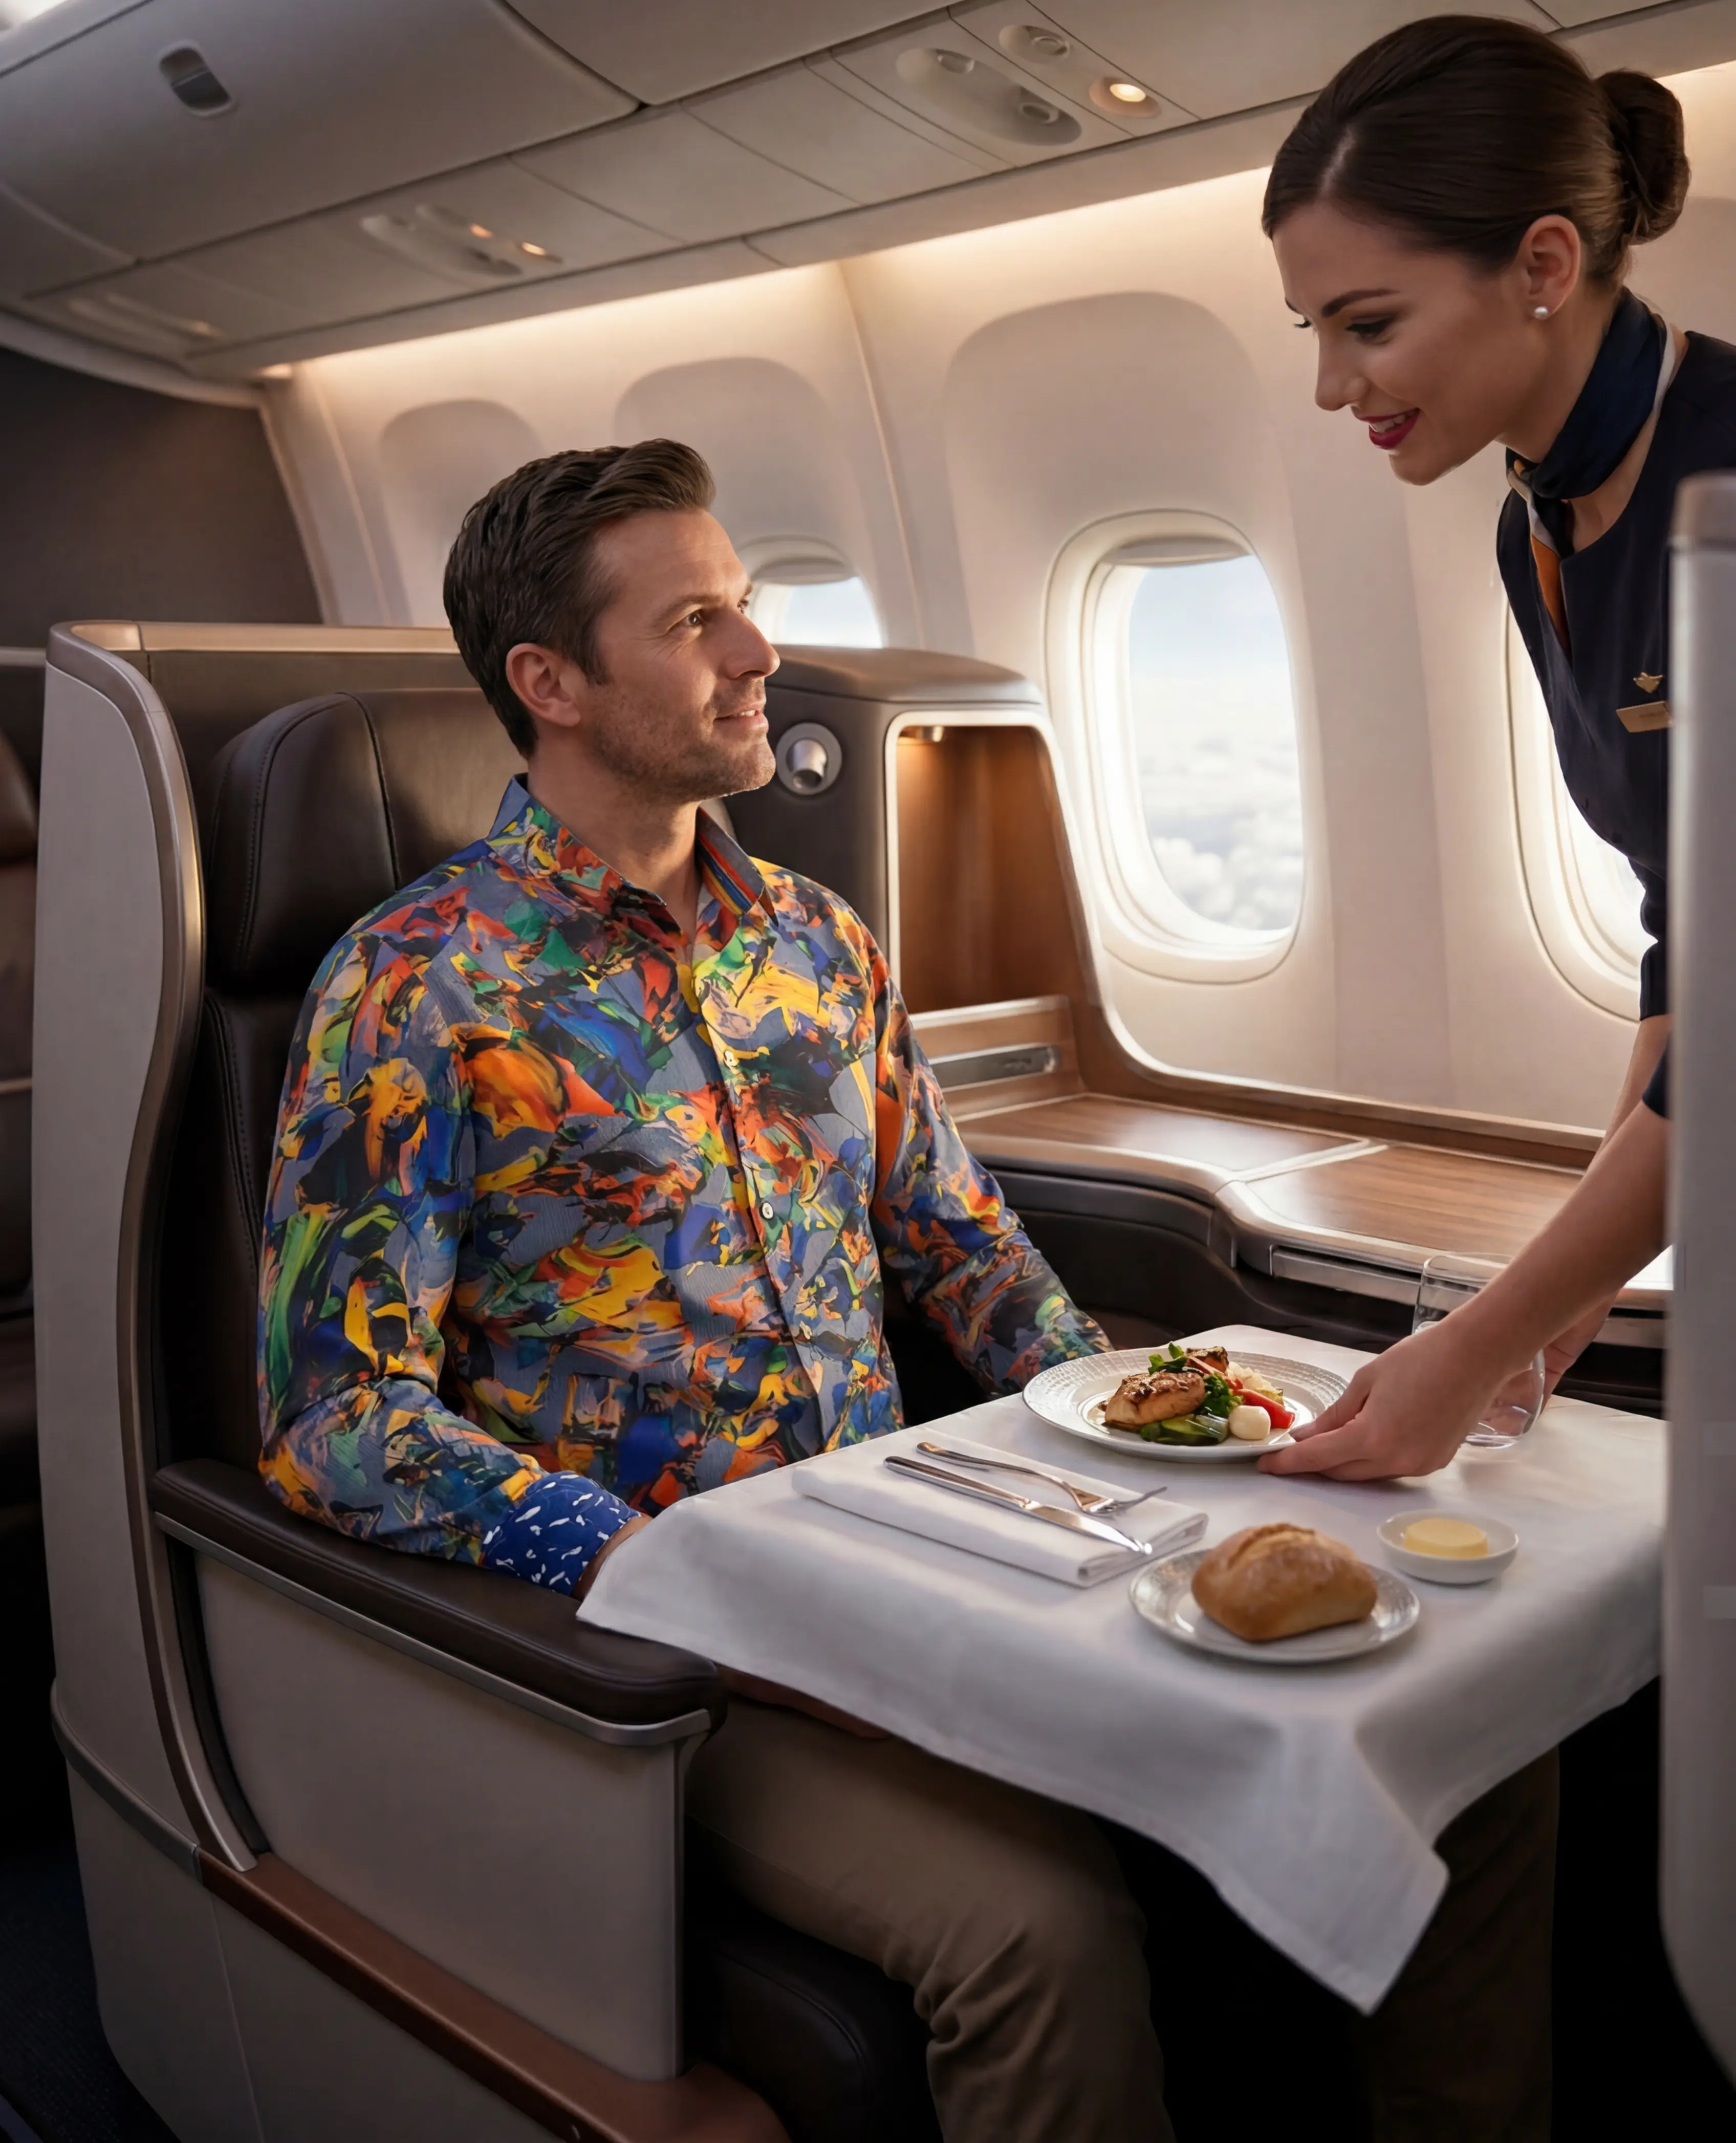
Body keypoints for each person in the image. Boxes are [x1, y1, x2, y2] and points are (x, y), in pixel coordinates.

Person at [258, 436, 1554, 2141]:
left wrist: (1151, 1421)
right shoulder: (415, 986)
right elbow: (335, 1420)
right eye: (699, 619)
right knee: (1039, 1935)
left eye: (749, 604)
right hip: (673, 1645)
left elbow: (959, 1241)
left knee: (1450, 1748)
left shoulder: (816, 939)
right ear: (550, 683)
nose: (758, 654)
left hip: (921, 1551)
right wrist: (619, 1551)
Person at [1259, 13, 1711, 1481]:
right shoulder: (1543, 526)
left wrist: (1482, 1336)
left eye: (1369, 323)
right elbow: (1685, 924)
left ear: (1543, 266)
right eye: (1316, 331)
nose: (1335, 386)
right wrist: (1564, 1286)